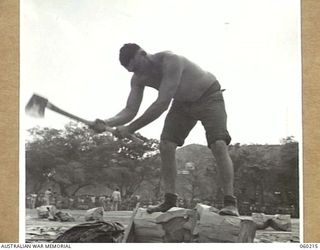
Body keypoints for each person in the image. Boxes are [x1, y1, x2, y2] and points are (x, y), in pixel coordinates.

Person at [91, 43, 239, 216]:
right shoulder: (138, 78)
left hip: (209, 96)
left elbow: (162, 104)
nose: (138, 73)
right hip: (182, 103)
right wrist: (107, 122)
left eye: (138, 67)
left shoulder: (171, 60)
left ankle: (230, 203)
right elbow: (130, 110)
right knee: (166, 145)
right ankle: (169, 200)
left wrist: (130, 129)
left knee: (218, 144)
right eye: (133, 71)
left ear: (143, 54)